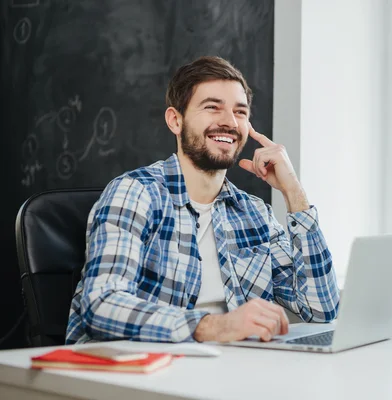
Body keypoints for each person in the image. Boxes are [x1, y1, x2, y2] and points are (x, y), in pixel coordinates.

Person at [65, 56, 340, 344]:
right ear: (176, 120)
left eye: (240, 112)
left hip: (226, 372)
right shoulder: (135, 193)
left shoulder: (255, 213)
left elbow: (321, 309)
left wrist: (293, 191)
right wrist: (217, 327)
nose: (229, 122)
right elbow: (102, 305)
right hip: (136, 374)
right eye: (212, 107)